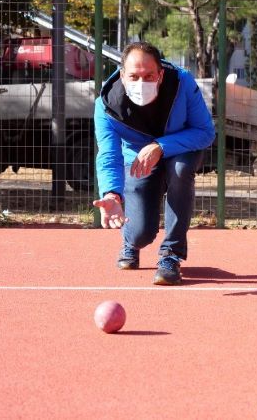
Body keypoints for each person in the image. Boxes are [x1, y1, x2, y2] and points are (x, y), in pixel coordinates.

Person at [92, 42, 215, 286]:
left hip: (180, 149)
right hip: (138, 160)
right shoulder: (106, 106)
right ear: (123, 77)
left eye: (149, 76)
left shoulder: (182, 83)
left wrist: (161, 146)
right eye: (134, 77)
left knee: (181, 170)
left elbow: (205, 132)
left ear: (160, 74)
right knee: (141, 234)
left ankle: (171, 255)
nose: (141, 82)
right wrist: (112, 193)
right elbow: (109, 154)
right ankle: (131, 242)